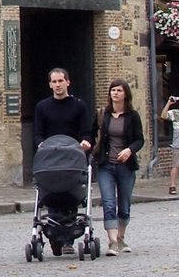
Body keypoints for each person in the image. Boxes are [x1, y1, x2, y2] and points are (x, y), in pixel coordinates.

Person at [92, 78, 144, 257]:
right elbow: (92, 134)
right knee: (108, 202)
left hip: (126, 166)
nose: (115, 93)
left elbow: (140, 140)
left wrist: (129, 150)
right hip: (106, 165)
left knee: (124, 204)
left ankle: (121, 237)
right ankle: (112, 242)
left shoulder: (132, 116)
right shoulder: (103, 114)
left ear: (125, 94)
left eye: (119, 90)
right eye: (113, 90)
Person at [33, 67, 93, 151]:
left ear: (68, 82)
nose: (57, 85)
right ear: (50, 84)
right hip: (50, 152)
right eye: (54, 81)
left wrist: (85, 141)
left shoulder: (80, 105)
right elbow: (38, 134)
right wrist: (41, 143)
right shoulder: (42, 106)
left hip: (74, 152)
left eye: (60, 81)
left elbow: (86, 132)